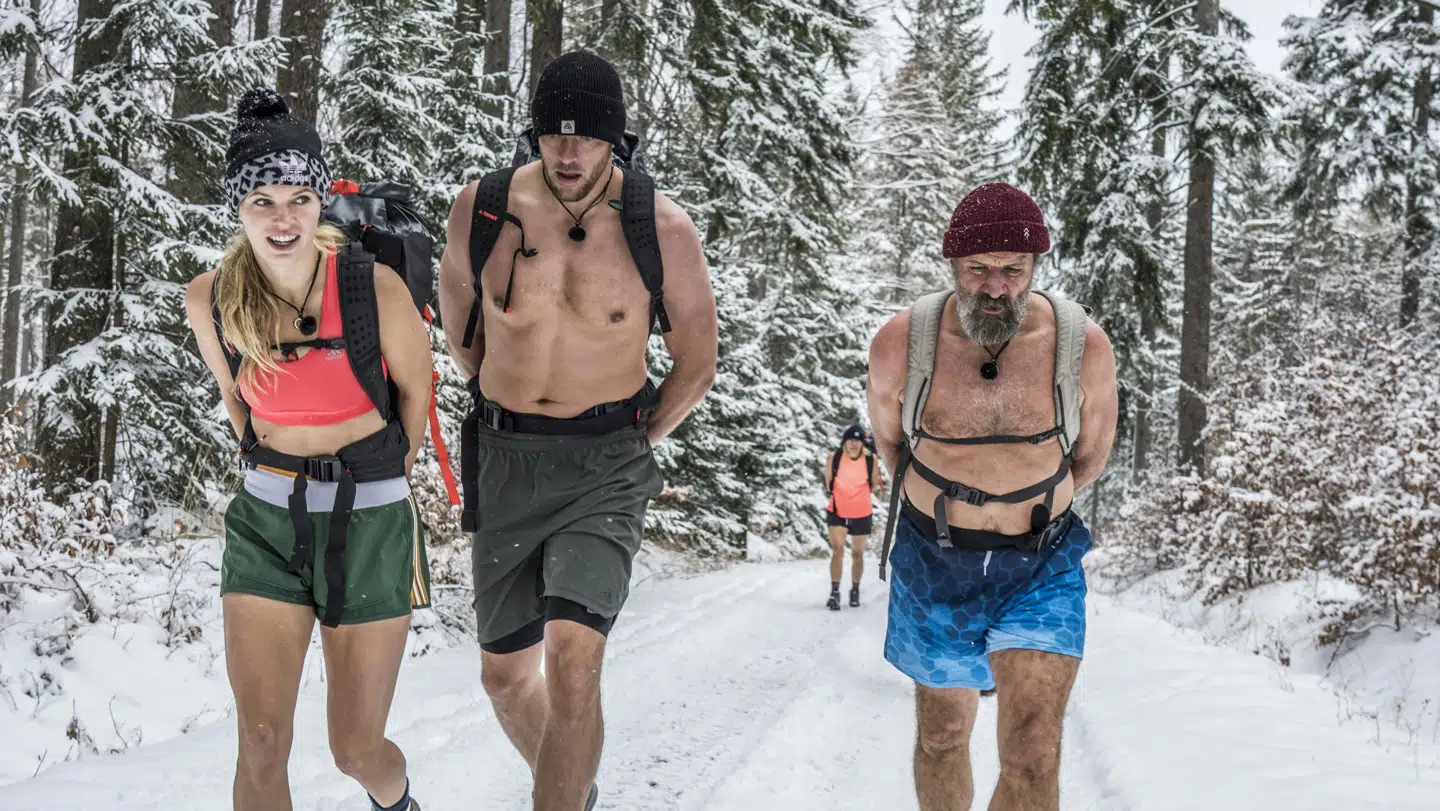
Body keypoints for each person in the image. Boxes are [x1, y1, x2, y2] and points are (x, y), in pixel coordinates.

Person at [438, 52, 717, 811]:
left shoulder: (659, 227)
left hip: (606, 465)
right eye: (553, 137)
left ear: (614, 138)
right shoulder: (482, 208)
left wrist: (635, 440)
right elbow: (462, 330)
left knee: (572, 659)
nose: (567, 155)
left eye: (586, 139)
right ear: (534, 132)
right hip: (505, 459)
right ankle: (573, 789)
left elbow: (697, 360)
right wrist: (504, 397)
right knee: (503, 677)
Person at [185, 89, 432, 811]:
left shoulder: (373, 289)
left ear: (320, 200)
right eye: (262, 200)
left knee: (357, 748)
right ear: (238, 208)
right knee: (261, 738)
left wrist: (380, 483)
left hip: (371, 518)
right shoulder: (211, 298)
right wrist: (277, 468)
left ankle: (399, 802)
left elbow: (415, 395)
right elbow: (237, 400)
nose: (283, 217)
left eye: (298, 196)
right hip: (267, 520)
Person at [867, 182, 1118, 811]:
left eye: (1014, 270)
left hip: (1042, 565)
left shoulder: (1082, 347)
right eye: (978, 270)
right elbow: (892, 447)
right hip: (935, 562)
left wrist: (1026, 502)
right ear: (953, 266)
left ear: (1036, 268)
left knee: (1033, 749)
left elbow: (1089, 456)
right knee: (944, 736)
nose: (995, 286)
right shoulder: (902, 343)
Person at [822, 424, 883, 610]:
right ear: (844, 442)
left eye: (857, 441)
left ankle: (855, 590)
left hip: (861, 511)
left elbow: (873, 485)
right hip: (837, 510)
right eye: (850, 440)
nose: (853, 444)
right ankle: (835, 592)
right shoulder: (835, 458)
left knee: (857, 554)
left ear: (862, 444)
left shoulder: (870, 460)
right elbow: (828, 483)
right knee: (838, 550)